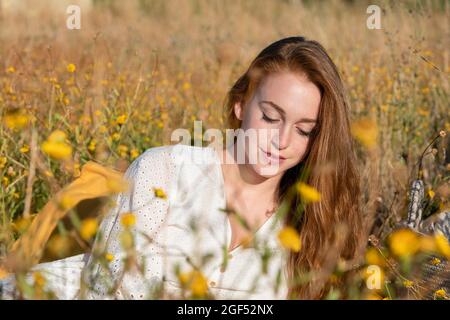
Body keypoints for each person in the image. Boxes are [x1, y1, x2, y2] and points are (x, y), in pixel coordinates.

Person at [1, 36, 363, 300]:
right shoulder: (164, 169)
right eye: (270, 116)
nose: (282, 140)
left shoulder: (312, 220)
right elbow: (111, 291)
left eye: (303, 130)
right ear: (240, 104)